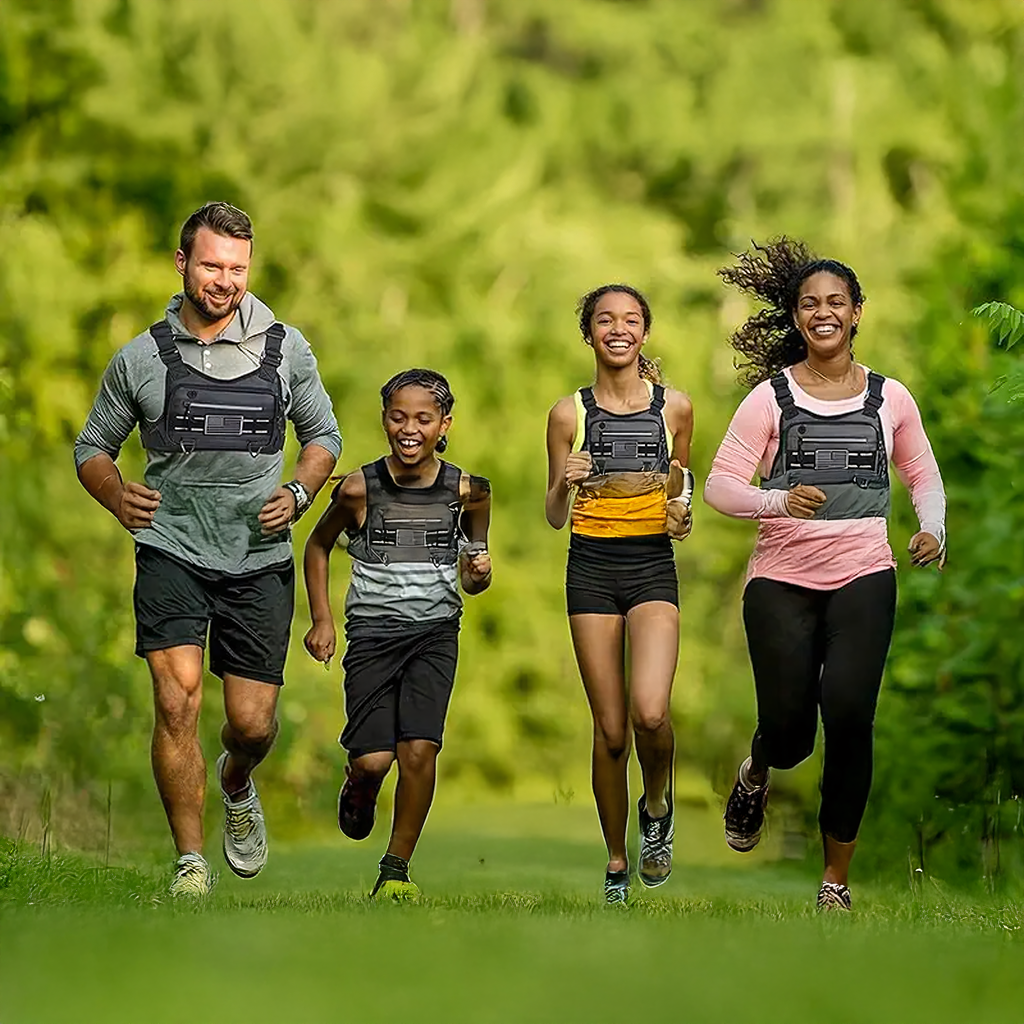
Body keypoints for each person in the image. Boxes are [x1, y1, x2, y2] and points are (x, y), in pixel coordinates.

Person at [75, 202, 341, 897]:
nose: (225, 280)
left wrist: (301, 492)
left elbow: (323, 440)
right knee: (178, 702)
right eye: (212, 265)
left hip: (259, 559)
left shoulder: (287, 348)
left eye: (238, 268)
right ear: (182, 263)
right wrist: (114, 493)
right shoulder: (140, 357)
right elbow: (91, 448)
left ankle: (237, 779)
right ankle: (191, 862)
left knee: (250, 725)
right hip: (172, 549)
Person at [704, 238, 945, 911]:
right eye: (810, 303)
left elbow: (921, 472)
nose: (823, 312)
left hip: (865, 573)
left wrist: (933, 527)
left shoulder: (890, 397)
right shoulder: (769, 399)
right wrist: (775, 500)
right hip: (781, 580)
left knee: (849, 717)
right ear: (797, 317)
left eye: (836, 301)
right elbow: (722, 487)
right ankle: (758, 767)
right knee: (789, 735)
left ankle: (834, 883)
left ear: (858, 312)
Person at [303, 369, 492, 901]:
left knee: (419, 751)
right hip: (372, 635)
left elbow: (474, 567)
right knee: (374, 760)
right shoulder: (359, 488)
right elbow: (316, 548)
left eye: (423, 419)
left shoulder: (468, 492)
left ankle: (395, 869)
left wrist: (477, 575)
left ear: (444, 424)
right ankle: (359, 785)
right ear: (384, 420)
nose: (410, 429)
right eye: (398, 417)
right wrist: (322, 619)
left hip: (435, 634)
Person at [544, 284, 694, 905]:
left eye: (630, 319)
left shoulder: (676, 408)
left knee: (650, 712)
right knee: (610, 731)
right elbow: (554, 513)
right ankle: (614, 864)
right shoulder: (566, 414)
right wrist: (565, 479)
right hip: (591, 568)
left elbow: (681, 490)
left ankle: (656, 803)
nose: (618, 329)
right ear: (589, 334)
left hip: (651, 567)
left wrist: (681, 513)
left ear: (645, 332)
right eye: (605, 319)